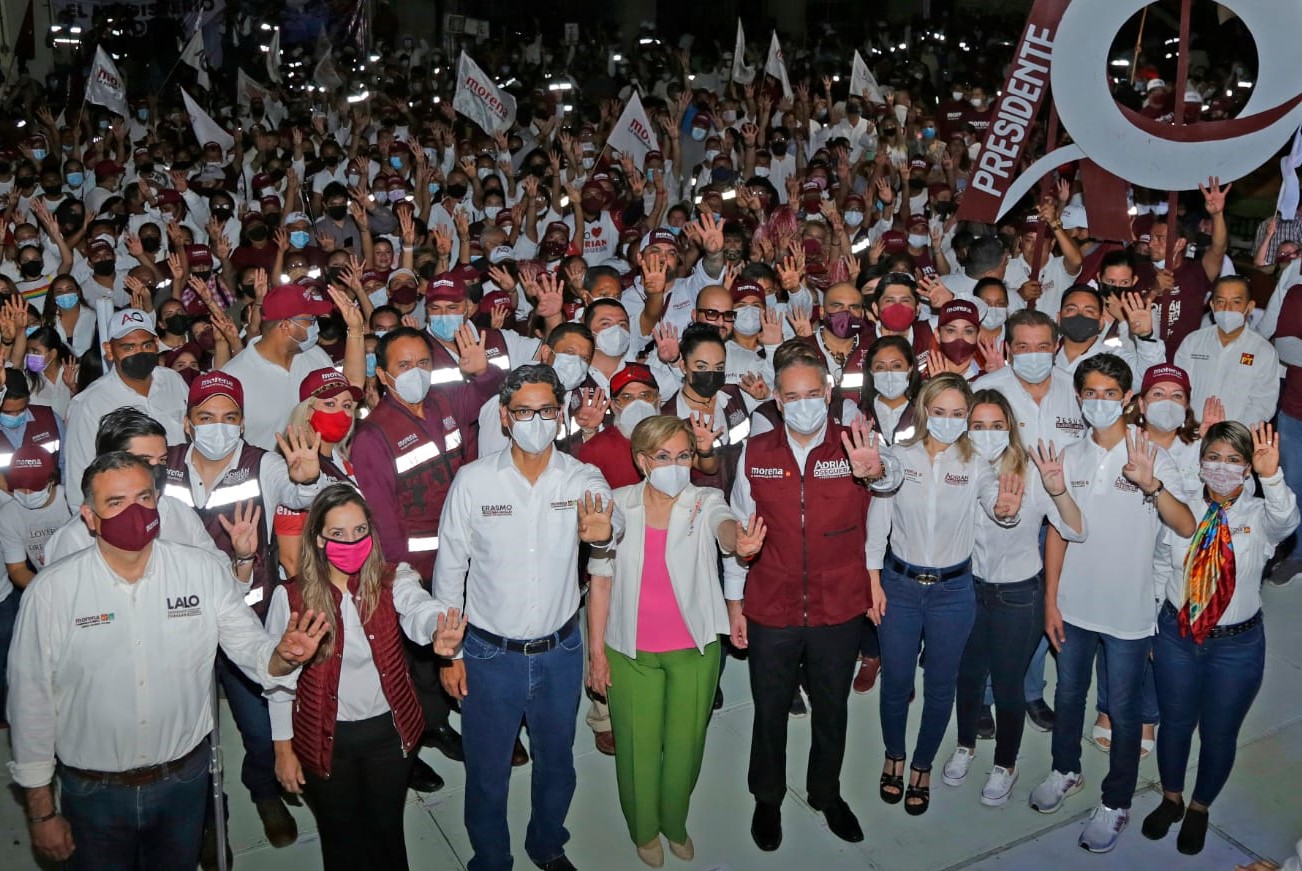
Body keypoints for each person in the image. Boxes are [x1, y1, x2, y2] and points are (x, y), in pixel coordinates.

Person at [6, 451, 329, 870]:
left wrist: (283, 657)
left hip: (184, 781)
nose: (134, 512)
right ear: (89, 516)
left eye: (143, 498)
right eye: (116, 503)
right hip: (94, 792)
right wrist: (41, 811)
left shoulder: (200, 571)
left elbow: (251, 648)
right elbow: (30, 703)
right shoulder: (52, 592)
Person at [432, 363, 613, 871]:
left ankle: (547, 844)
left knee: (558, 765)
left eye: (547, 410)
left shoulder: (580, 478)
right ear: (506, 418)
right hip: (489, 654)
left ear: (560, 417)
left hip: (560, 651)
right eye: (524, 411)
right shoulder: (473, 483)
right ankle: (491, 859)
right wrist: (450, 653)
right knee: (488, 773)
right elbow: (450, 574)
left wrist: (600, 531)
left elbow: (606, 525)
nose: (536, 420)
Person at [727, 343, 902, 851]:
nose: (803, 403)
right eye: (792, 396)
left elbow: (889, 482)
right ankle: (767, 797)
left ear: (827, 394)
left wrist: (876, 470)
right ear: (778, 402)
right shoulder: (755, 455)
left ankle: (827, 793)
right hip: (771, 604)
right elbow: (741, 531)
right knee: (770, 707)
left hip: (838, 604)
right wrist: (734, 604)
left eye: (812, 393)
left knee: (832, 706)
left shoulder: (857, 444)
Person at [1030, 353, 1196, 853]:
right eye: (1090, 393)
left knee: (1123, 710)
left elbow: (1186, 525)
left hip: (1128, 613)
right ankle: (1064, 771)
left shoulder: (1151, 454)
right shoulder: (1069, 453)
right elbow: (1065, 533)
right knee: (1067, 696)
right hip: (1075, 607)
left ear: (1127, 399)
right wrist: (1051, 601)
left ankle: (1116, 799)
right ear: (1079, 399)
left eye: (1109, 393)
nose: (1099, 402)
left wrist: (1152, 484)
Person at [586, 415, 767, 866]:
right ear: (643, 460)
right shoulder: (615, 504)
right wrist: (596, 654)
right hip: (629, 652)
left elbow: (726, 527)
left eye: (683, 455)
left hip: (694, 650)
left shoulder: (705, 500)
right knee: (636, 746)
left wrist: (739, 542)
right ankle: (643, 828)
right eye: (664, 457)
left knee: (686, 745)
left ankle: (674, 821)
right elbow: (601, 583)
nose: (676, 465)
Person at [159, 370, 326, 852]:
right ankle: (209, 820)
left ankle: (265, 790)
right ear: (188, 423)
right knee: (186, 732)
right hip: (179, 620)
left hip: (246, 619)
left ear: (242, 422)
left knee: (259, 726)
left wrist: (308, 477)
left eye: (229, 418)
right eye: (206, 417)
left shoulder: (262, 465)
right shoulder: (162, 466)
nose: (218, 427)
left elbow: (297, 495)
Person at [268, 484, 464, 871]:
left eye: (359, 531)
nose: (351, 541)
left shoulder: (394, 579)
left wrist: (437, 629)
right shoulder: (290, 598)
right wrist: (282, 750)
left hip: (389, 737)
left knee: (387, 834)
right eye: (338, 534)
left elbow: (417, 609)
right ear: (318, 539)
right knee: (341, 841)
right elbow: (278, 682)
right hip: (324, 738)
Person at [352, 325, 504, 785]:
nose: (417, 372)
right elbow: (382, 516)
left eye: (423, 363)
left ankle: (452, 719)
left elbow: (487, 394)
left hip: (464, 555)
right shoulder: (373, 435)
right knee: (416, 659)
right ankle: (417, 737)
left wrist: (481, 372)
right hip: (413, 569)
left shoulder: (444, 403)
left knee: (461, 642)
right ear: (383, 375)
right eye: (404, 365)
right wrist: (403, 579)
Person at [867, 374, 1024, 816]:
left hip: (953, 592)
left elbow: (997, 501)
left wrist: (1005, 511)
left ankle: (921, 765)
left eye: (959, 415)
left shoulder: (977, 465)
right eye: (940, 413)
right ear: (923, 411)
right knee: (896, 682)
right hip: (898, 586)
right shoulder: (897, 457)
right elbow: (878, 523)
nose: (949, 421)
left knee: (940, 687)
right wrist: (872, 581)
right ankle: (893, 755)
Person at [1142, 422, 1298, 855]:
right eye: (1214, 457)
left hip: (1236, 646)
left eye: (1234, 460)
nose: (1222, 467)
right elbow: (1160, 565)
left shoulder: (1260, 515)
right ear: (1201, 460)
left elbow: (1288, 522)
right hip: (1177, 635)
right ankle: (1171, 797)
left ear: (1247, 468)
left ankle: (1198, 807)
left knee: (1219, 732)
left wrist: (1272, 476)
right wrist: (1153, 625)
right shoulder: (1181, 507)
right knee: (1173, 724)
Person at [942, 390, 1084, 806]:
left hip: (1018, 595)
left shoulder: (1034, 472)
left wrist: (1057, 491)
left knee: (1007, 686)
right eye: (979, 425)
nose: (988, 434)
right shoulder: (958, 467)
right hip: (968, 590)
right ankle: (965, 745)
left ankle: (1006, 763)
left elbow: (1075, 529)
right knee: (967, 680)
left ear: (1011, 428)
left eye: (997, 426)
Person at [63, 308, 190, 510]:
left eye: (146, 345)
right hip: (127, 512)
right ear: (109, 350)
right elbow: (78, 479)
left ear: (157, 344)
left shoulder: (173, 381)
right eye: (128, 347)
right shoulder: (88, 403)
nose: (139, 353)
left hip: (180, 505)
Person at [222, 283, 364, 451]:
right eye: (310, 320)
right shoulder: (233, 378)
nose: (316, 326)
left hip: (322, 471)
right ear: (285, 326)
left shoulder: (316, 356)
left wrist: (355, 330)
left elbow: (349, 390)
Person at [274, 368, 363, 576]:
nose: (341, 413)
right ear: (307, 411)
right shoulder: (292, 466)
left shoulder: (343, 462)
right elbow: (291, 560)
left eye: (347, 405)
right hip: (315, 590)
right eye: (330, 404)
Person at [1174, 275, 1280, 428]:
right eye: (1221, 301)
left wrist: (1229, 436)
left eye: (1236, 302)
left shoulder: (1263, 352)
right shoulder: (1193, 342)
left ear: (1249, 307)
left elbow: (1262, 405)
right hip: (1190, 433)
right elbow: (1178, 388)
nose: (1227, 309)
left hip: (1233, 439)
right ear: (1212, 305)